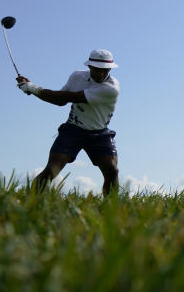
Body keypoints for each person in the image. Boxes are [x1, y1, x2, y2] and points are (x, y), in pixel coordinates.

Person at [17, 49, 121, 195]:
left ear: (110, 68)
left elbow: (64, 97)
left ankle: (112, 209)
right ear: (90, 67)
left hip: (99, 133)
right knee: (52, 168)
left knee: (112, 171)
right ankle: (29, 201)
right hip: (73, 129)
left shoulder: (111, 88)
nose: (101, 74)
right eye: (97, 70)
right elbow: (60, 101)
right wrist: (31, 88)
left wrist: (32, 88)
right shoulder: (77, 76)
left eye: (105, 70)